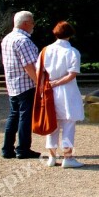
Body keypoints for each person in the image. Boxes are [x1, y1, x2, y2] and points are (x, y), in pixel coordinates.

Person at [39, 21, 85, 168]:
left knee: (52, 123)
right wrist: (57, 82)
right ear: (70, 34)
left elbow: (40, 71)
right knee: (68, 124)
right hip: (67, 90)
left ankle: (52, 157)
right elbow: (72, 75)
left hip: (49, 90)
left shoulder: (45, 50)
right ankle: (68, 157)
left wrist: (46, 86)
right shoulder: (73, 52)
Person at [0, 10, 40, 159]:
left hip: (12, 84)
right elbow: (29, 65)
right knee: (25, 117)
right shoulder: (23, 40)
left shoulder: (7, 39)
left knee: (13, 115)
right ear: (25, 23)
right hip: (26, 84)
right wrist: (38, 83)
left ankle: (7, 148)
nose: (33, 25)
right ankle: (23, 149)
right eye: (32, 22)